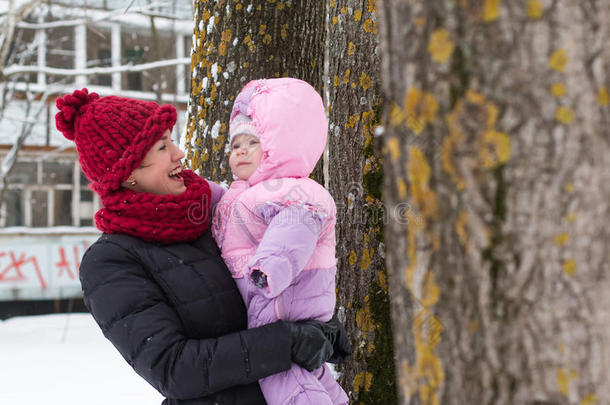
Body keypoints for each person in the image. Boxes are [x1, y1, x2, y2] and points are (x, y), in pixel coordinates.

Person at [55, 88, 350, 405]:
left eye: (172, 140)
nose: (179, 152)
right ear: (128, 173)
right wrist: (285, 342)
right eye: (162, 147)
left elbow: (273, 286)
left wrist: (318, 326)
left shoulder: (217, 212)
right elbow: (173, 368)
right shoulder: (111, 262)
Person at [211, 78, 349, 405]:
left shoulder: (293, 191)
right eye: (235, 145)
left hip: (280, 296)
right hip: (270, 299)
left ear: (279, 146)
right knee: (307, 373)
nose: (241, 151)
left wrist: (269, 269)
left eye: (253, 143)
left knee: (281, 376)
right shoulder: (243, 193)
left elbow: (293, 231)